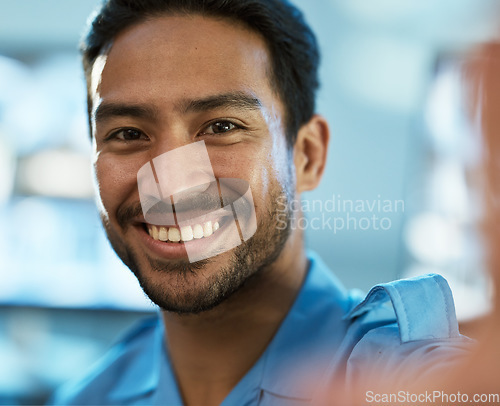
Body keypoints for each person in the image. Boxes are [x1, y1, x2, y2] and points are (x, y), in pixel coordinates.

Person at [50, 1, 471, 405]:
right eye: (127, 134)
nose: (171, 186)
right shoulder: (87, 396)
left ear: (307, 156)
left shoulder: (394, 375)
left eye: (221, 126)